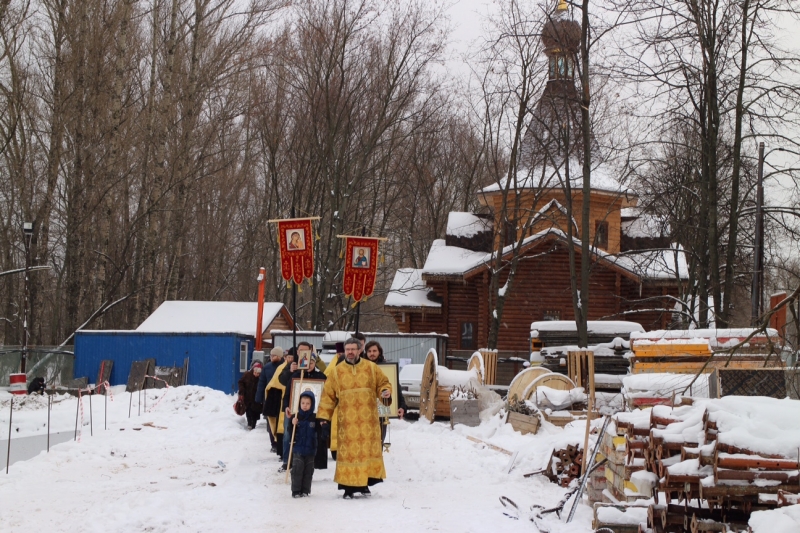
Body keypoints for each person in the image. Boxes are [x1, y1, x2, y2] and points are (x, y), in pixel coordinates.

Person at [318, 338, 392, 499]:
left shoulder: (371, 368)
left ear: (360, 350)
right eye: (348, 349)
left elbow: (383, 383)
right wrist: (324, 416)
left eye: (353, 349)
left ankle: (365, 484)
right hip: (347, 422)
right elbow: (328, 395)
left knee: (365, 453)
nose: (350, 352)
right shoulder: (337, 371)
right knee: (349, 455)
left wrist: (385, 391)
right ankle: (348, 488)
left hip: (368, 422)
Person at [282, 353, 328, 470]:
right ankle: (290, 461)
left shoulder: (321, 376)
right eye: (307, 363)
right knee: (293, 436)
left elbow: (327, 395)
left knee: (315, 437)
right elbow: (288, 394)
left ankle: (316, 463)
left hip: (315, 414)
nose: (309, 366)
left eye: (312, 363)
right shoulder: (296, 376)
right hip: (298, 414)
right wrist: (287, 407)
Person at [277, 341, 315, 472]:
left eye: (306, 350)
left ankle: (305, 462)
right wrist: (289, 370)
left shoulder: (313, 365)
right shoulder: (291, 365)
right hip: (292, 407)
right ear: (297, 352)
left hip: (309, 410)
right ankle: (287, 461)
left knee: (306, 434)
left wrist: (312, 370)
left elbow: (321, 381)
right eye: (300, 350)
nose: (302, 353)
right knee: (288, 433)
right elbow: (282, 381)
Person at [364, 341, 407, 445]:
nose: (372, 353)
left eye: (374, 351)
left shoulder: (387, 368)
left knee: (378, 443)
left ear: (379, 352)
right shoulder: (361, 367)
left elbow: (396, 388)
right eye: (369, 351)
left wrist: (402, 406)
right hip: (364, 412)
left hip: (382, 411)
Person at [265, 349, 295, 466]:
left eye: (291, 358)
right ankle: (284, 457)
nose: (289, 359)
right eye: (288, 357)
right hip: (282, 403)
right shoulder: (282, 368)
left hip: (298, 403)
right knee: (284, 432)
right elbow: (275, 382)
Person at [289, 391, 319, 497]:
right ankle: (296, 490)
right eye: (302, 403)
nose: (305, 406)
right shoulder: (296, 417)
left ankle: (305, 490)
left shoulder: (315, 418)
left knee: (308, 470)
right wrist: (293, 424)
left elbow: (319, 431)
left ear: (312, 405)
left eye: (307, 403)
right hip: (298, 448)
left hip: (310, 448)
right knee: (297, 468)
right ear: (299, 404)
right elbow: (289, 431)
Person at [258, 347, 284, 451]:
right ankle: (273, 443)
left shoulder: (284, 367)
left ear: (279, 356)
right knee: (270, 421)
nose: (272, 357)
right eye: (271, 355)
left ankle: (280, 443)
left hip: (280, 398)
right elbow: (261, 383)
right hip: (269, 398)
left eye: (274, 356)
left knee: (280, 421)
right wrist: (259, 398)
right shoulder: (267, 367)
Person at [238, 361, 263, 430]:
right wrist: (242, 390)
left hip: (256, 398)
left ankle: (253, 424)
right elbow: (241, 382)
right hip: (248, 396)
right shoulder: (247, 375)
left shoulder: (261, 378)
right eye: (255, 373)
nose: (256, 375)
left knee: (255, 412)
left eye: (258, 373)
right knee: (248, 410)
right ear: (253, 371)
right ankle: (249, 423)